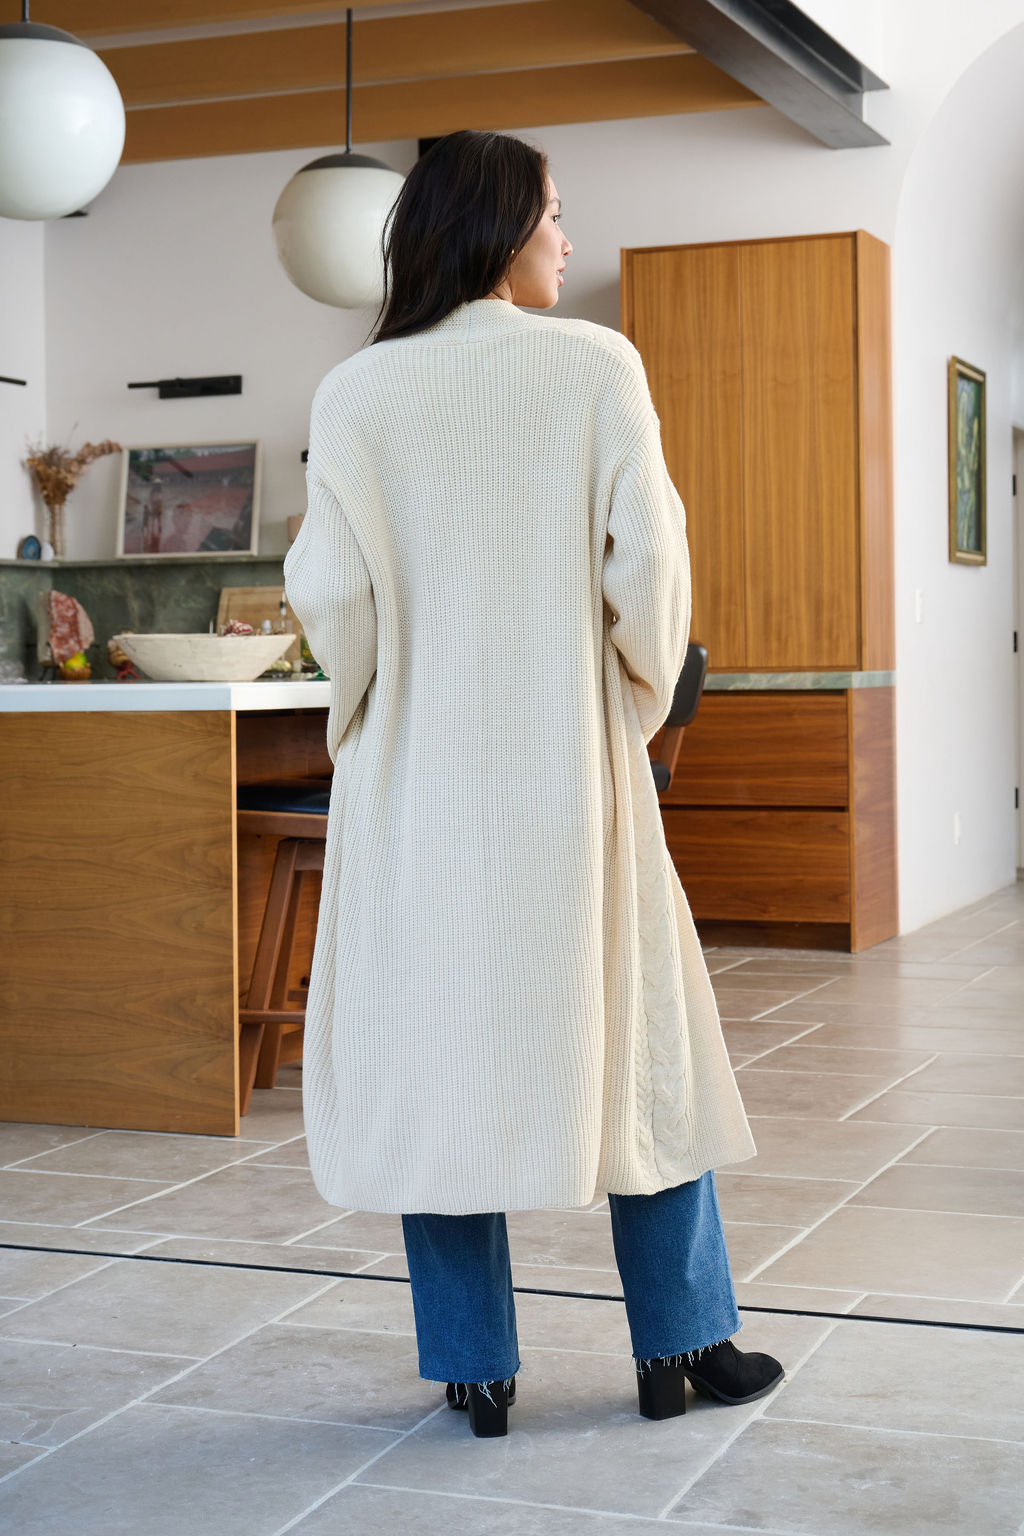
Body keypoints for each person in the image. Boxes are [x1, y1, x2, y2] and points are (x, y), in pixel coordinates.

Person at [283, 128, 785, 1439]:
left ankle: (474, 1369)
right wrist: (621, 699)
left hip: (421, 790)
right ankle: (683, 1346)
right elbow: (651, 582)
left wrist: (374, 717)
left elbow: (333, 600)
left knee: (438, 1057)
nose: (570, 238)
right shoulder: (595, 367)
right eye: (556, 215)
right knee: (641, 1044)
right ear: (503, 227)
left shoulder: (358, 394)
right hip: (570, 776)